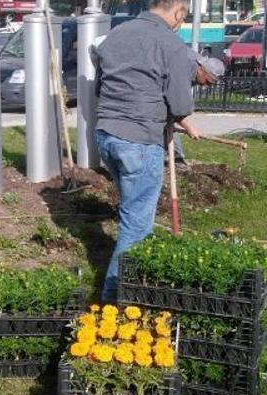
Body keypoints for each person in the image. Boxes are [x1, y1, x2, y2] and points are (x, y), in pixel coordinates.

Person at [94, 0, 194, 302]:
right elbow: (179, 104)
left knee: (131, 208)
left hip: (107, 136)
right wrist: (183, 119)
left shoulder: (116, 34)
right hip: (138, 141)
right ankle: (114, 302)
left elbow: (101, 87)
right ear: (177, 12)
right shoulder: (170, 43)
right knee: (136, 228)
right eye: (182, 19)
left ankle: (129, 289)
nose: (180, 24)